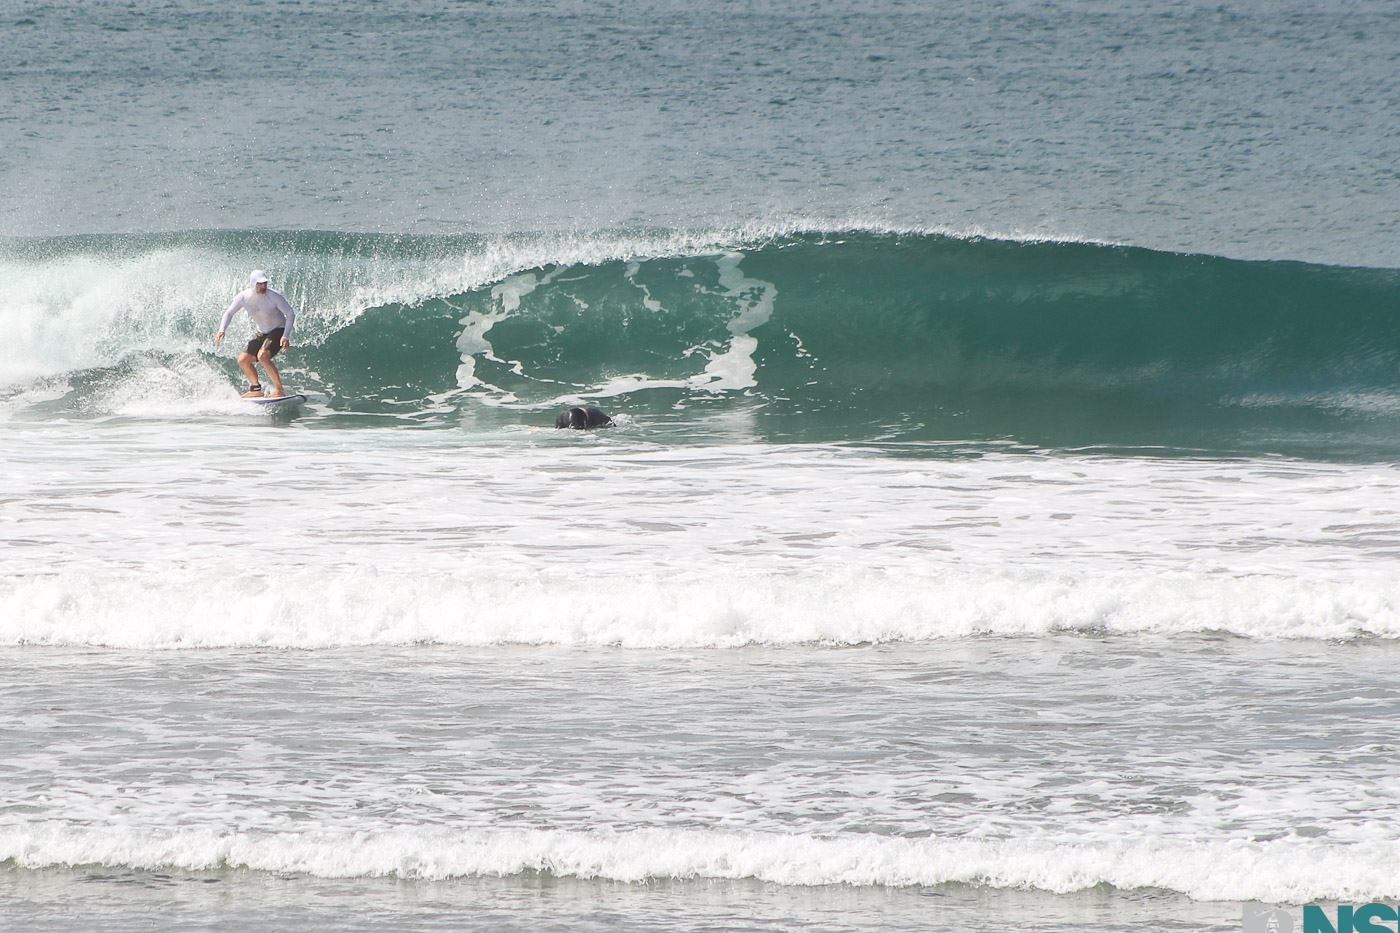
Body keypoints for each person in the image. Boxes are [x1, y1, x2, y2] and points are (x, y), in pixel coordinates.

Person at [216, 270, 295, 398]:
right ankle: (255, 389)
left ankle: (279, 390)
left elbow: (290, 314)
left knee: (263, 356)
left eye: (265, 283)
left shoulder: (274, 296)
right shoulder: (244, 297)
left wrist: (285, 336)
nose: (263, 286)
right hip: (263, 332)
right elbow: (229, 313)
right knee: (243, 360)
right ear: (253, 283)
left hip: (278, 329)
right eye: (260, 284)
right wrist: (222, 330)